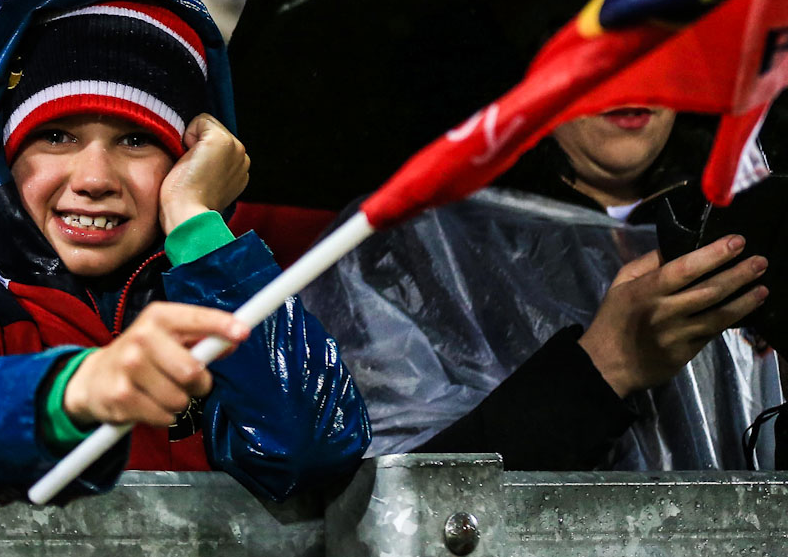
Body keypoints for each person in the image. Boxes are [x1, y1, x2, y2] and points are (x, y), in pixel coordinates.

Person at [0, 0, 369, 506]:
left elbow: (310, 458)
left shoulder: (220, 298)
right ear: (0, 156)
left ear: (191, 157)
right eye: (57, 135)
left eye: (136, 140)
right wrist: (72, 393)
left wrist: (197, 224)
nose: (93, 178)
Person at [302, 106, 783, 470]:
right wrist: (608, 365)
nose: (637, 75)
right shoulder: (406, 243)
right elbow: (388, 504)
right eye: (604, 37)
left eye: (661, 42)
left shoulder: (749, 228)